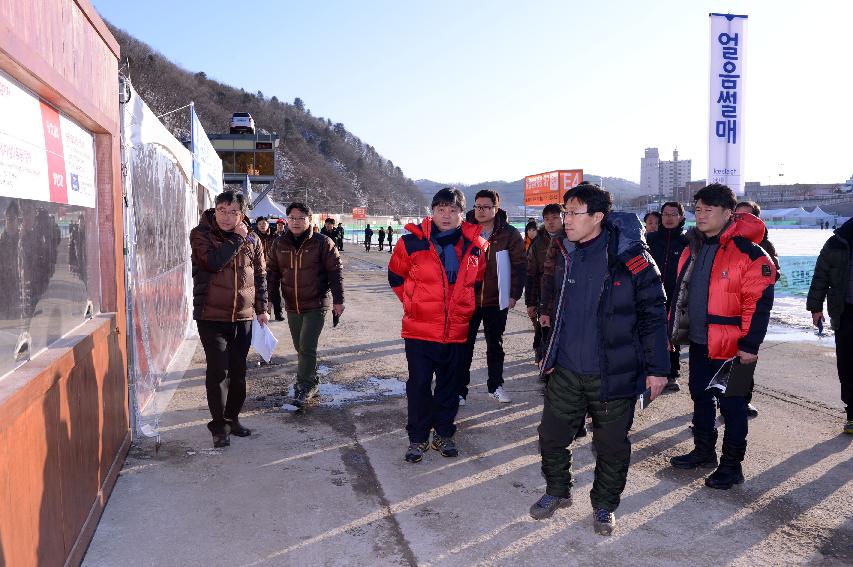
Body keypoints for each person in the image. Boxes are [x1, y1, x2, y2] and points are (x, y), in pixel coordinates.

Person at [531, 182, 669, 536]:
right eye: (565, 212)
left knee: (610, 446)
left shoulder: (631, 257)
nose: (566, 220)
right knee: (551, 436)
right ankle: (557, 490)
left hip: (613, 373)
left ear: (597, 217)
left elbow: (654, 314)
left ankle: (605, 504)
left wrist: (658, 370)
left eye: (573, 213)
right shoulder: (564, 251)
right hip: (566, 368)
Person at [669, 184, 776, 490]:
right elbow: (681, 296)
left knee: (735, 405)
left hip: (736, 348)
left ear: (728, 213)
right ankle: (704, 452)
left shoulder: (750, 254)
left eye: (708, 209)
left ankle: (732, 466)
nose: (700, 215)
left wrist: (749, 346)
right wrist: (673, 331)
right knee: (700, 396)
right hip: (702, 342)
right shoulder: (694, 247)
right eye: (698, 208)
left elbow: (759, 304)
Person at [388, 188, 488, 462]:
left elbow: (475, 282)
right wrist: (414, 304)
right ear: (432, 211)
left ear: (461, 214)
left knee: (450, 385)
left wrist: (461, 309)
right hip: (420, 331)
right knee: (419, 385)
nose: (447, 215)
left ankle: (444, 433)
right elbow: (396, 277)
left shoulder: (476, 245)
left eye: (453, 210)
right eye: (441, 209)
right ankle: (417, 438)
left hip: (456, 330)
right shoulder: (410, 243)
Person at [190, 191, 268, 447]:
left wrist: (262, 308)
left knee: (238, 372)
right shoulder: (201, 234)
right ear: (215, 209)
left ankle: (232, 419)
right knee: (218, 371)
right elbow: (212, 262)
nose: (226, 216)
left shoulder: (254, 240)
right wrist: (237, 238)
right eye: (222, 210)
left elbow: (260, 276)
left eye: (233, 212)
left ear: (242, 214)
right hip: (211, 316)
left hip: (243, 317)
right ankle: (219, 427)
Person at [267, 202, 345, 408]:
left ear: (309, 220)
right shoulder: (279, 243)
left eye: (301, 218)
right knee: (300, 348)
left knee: (307, 346)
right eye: (292, 218)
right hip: (292, 304)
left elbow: (335, 273)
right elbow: (272, 274)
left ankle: (303, 387)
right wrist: (268, 300)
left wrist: (338, 300)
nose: (296, 222)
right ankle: (313, 381)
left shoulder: (323, 243)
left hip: (316, 303)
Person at [459, 189, 526, 405]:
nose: (481, 210)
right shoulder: (463, 230)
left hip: (496, 299)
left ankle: (495, 386)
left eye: (486, 207)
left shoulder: (509, 234)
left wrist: (514, 295)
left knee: (495, 345)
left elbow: (519, 266)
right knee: (463, 346)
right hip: (467, 298)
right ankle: (459, 390)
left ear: (496, 209)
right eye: (477, 206)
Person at [735, 200, 781, 418]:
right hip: (726, 311)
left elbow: (773, 271)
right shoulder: (724, 243)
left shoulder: (764, 247)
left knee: (746, 355)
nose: (741, 221)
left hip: (751, 310)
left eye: (747, 217)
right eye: (737, 216)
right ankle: (721, 399)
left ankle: (742, 399)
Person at [807, 217, 853, 435]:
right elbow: (821, 276)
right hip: (845, 313)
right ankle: (852, 414)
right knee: (847, 364)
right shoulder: (837, 242)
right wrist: (815, 308)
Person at [647, 202, 689, 392]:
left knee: (673, 334)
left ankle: (672, 373)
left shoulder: (687, 241)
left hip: (677, 294)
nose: (669, 218)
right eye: (665, 214)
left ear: (681, 217)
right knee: (650, 332)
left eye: (674, 214)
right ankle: (649, 372)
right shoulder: (651, 239)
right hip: (651, 294)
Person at [524, 204, 563, 366]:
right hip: (544, 298)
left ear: (563, 218)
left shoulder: (572, 238)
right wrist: (530, 302)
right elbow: (531, 274)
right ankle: (545, 366)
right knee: (544, 335)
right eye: (547, 219)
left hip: (566, 297)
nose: (551, 222)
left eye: (555, 218)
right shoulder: (538, 243)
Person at [255, 216, 283, 321]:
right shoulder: (254, 237)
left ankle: (278, 313)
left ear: (268, 225)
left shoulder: (275, 236)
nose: (262, 226)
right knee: (261, 290)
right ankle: (262, 312)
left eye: (264, 224)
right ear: (257, 226)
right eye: (260, 224)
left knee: (275, 290)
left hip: (273, 267)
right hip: (258, 268)